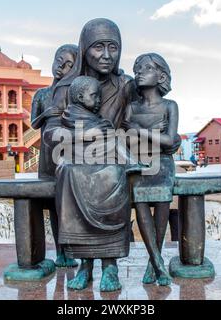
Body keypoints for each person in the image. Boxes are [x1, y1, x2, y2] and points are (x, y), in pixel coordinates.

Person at [55, 76, 134, 292]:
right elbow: (50, 137)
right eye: (94, 96)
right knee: (67, 172)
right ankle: (85, 267)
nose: (98, 100)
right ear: (80, 97)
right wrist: (84, 135)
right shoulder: (66, 117)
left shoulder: (100, 121)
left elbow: (113, 140)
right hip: (76, 166)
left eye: (99, 95)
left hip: (104, 165)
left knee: (116, 173)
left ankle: (110, 267)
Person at [122, 53, 179, 286]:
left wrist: (139, 131)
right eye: (137, 68)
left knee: (163, 202)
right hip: (137, 162)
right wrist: (152, 133)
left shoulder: (169, 106)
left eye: (146, 68)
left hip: (163, 162)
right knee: (141, 202)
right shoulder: (131, 107)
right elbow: (125, 140)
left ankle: (152, 263)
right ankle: (157, 262)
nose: (139, 72)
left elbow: (169, 141)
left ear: (161, 75)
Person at [31, 44, 78, 268]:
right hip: (47, 153)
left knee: (67, 203)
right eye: (60, 59)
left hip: (68, 150)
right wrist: (46, 114)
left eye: (69, 64)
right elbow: (33, 123)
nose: (62, 66)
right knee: (51, 203)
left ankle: (71, 249)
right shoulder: (42, 94)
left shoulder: (74, 93)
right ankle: (60, 252)